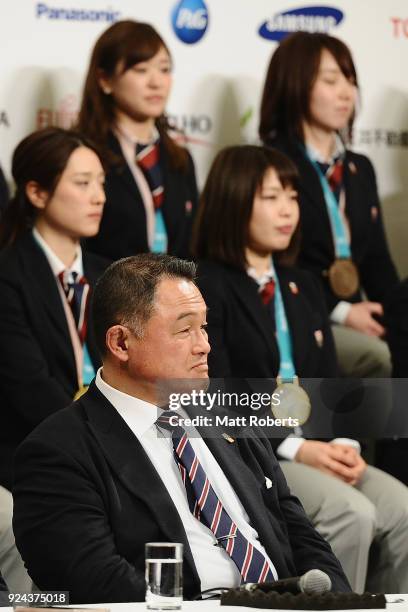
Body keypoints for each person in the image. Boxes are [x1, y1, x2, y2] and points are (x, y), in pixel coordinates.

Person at [13, 254, 350, 603]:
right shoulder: (58, 452)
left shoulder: (227, 420)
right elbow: (97, 584)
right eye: (185, 329)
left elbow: (302, 537)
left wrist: (341, 605)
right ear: (121, 343)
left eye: (203, 327)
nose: (204, 344)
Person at [192, 145, 408, 593]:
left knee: (402, 509)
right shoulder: (206, 287)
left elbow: (328, 383)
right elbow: (219, 396)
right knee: (353, 513)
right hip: (255, 453)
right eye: (271, 197)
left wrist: (342, 441)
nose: (287, 209)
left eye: (292, 196)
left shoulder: (303, 284)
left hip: (317, 443)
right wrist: (297, 450)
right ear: (233, 201)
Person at [259, 32, 399, 377]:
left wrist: (396, 312)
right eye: (331, 80)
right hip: (295, 313)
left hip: (358, 312)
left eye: (350, 80)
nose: (346, 92)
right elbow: (274, 262)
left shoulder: (359, 168)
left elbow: (378, 262)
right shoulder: (271, 164)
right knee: (378, 358)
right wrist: (341, 311)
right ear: (296, 83)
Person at [0, 127, 109, 491]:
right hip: (36, 454)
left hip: (118, 451)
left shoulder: (111, 275)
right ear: (36, 192)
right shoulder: (9, 276)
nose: (98, 197)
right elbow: (29, 387)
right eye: (82, 183)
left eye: (101, 183)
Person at [77, 20, 198, 261]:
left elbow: (191, 249)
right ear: (105, 80)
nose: (156, 82)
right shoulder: (84, 154)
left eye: (164, 69)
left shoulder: (181, 160)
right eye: (141, 70)